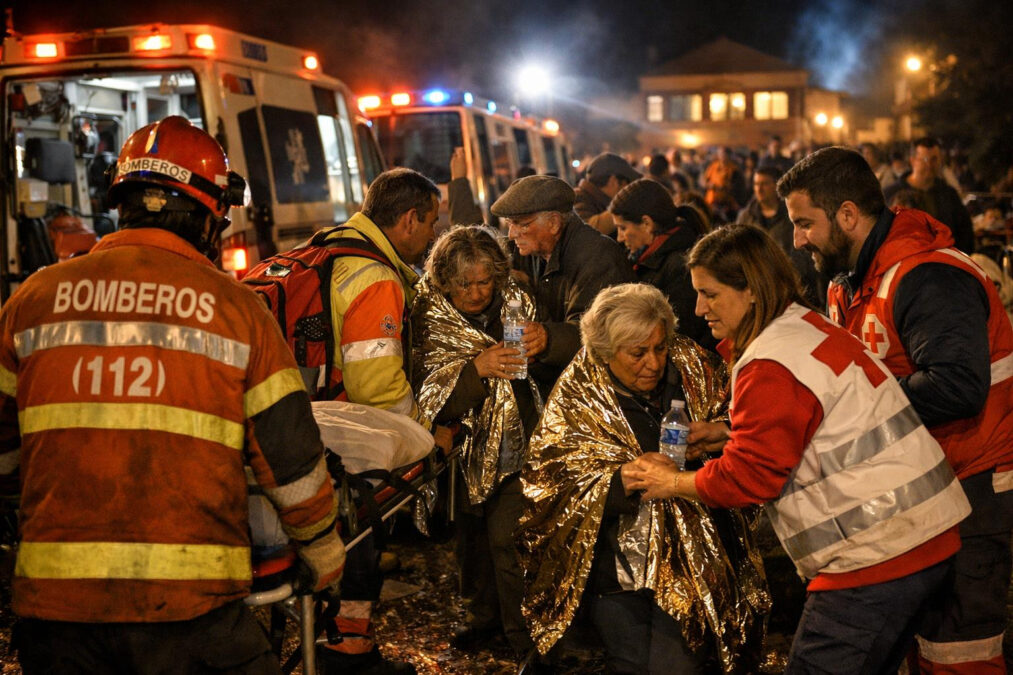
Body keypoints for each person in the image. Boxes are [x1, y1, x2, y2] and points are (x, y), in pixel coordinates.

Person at [0, 116, 346, 672]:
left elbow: (3, 454)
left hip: (56, 616)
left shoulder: (32, 300)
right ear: (212, 213)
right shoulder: (237, 311)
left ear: (124, 201)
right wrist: (324, 553)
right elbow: (290, 457)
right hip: (192, 615)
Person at [626, 223, 971, 674]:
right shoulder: (802, 327)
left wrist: (670, 481)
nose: (699, 307)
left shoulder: (769, 362)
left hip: (872, 556)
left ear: (750, 290)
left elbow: (749, 479)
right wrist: (730, 433)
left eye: (710, 293)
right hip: (922, 534)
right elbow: (822, 426)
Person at [780, 146, 1013, 674]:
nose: (796, 239)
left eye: (803, 223)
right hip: (927, 486)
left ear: (846, 215)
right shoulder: (849, 280)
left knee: (958, 654)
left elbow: (958, 386)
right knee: (917, 647)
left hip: (973, 487)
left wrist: (849, 405)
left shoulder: (927, 278)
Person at [518, 283, 769, 674]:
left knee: (683, 663)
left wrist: (716, 434)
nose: (653, 363)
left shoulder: (692, 364)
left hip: (700, 559)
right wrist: (619, 481)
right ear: (604, 353)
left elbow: (743, 419)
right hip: (618, 569)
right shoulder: (579, 394)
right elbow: (550, 482)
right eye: (637, 354)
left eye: (659, 348)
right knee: (632, 662)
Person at [411, 225, 539, 661]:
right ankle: (480, 618)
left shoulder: (517, 303)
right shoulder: (429, 315)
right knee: (470, 537)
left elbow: (532, 381)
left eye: (485, 281)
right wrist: (476, 370)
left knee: (507, 538)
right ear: (446, 281)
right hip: (460, 447)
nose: (476, 293)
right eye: (465, 284)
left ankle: (522, 636)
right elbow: (424, 385)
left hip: (512, 445)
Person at [491, 174, 635, 394]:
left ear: (553, 223)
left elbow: (598, 335)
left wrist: (547, 338)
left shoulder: (598, 257)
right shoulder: (532, 250)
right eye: (510, 224)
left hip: (598, 391)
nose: (512, 234)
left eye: (522, 224)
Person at [609, 178, 714, 350]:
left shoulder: (680, 265)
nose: (620, 237)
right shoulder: (644, 259)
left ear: (646, 223)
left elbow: (680, 334)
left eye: (623, 228)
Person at [736, 166, 828, 308]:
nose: (759, 189)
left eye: (764, 184)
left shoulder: (792, 216)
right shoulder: (746, 217)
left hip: (792, 288)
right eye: (756, 184)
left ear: (775, 185)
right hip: (758, 289)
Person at [883, 137, 974, 253]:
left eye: (934, 159)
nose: (929, 165)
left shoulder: (949, 195)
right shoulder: (890, 194)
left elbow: (965, 232)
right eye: (925, 159)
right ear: (913, 161)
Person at [574, 152, 642, 235]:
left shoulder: (599, 200)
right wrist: (625, 203)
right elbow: (588, 230)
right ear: (614, 181)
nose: (626, 190)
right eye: (627, 184)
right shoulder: (577, 198)